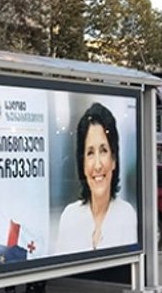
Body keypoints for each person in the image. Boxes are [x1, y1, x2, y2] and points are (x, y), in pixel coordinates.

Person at [55, 102, 138, 254]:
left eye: (104, 150)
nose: (98, 165)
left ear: (114, 160)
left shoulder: (127, 216)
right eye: (90, 153)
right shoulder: (69, 217)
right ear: (83, 163)